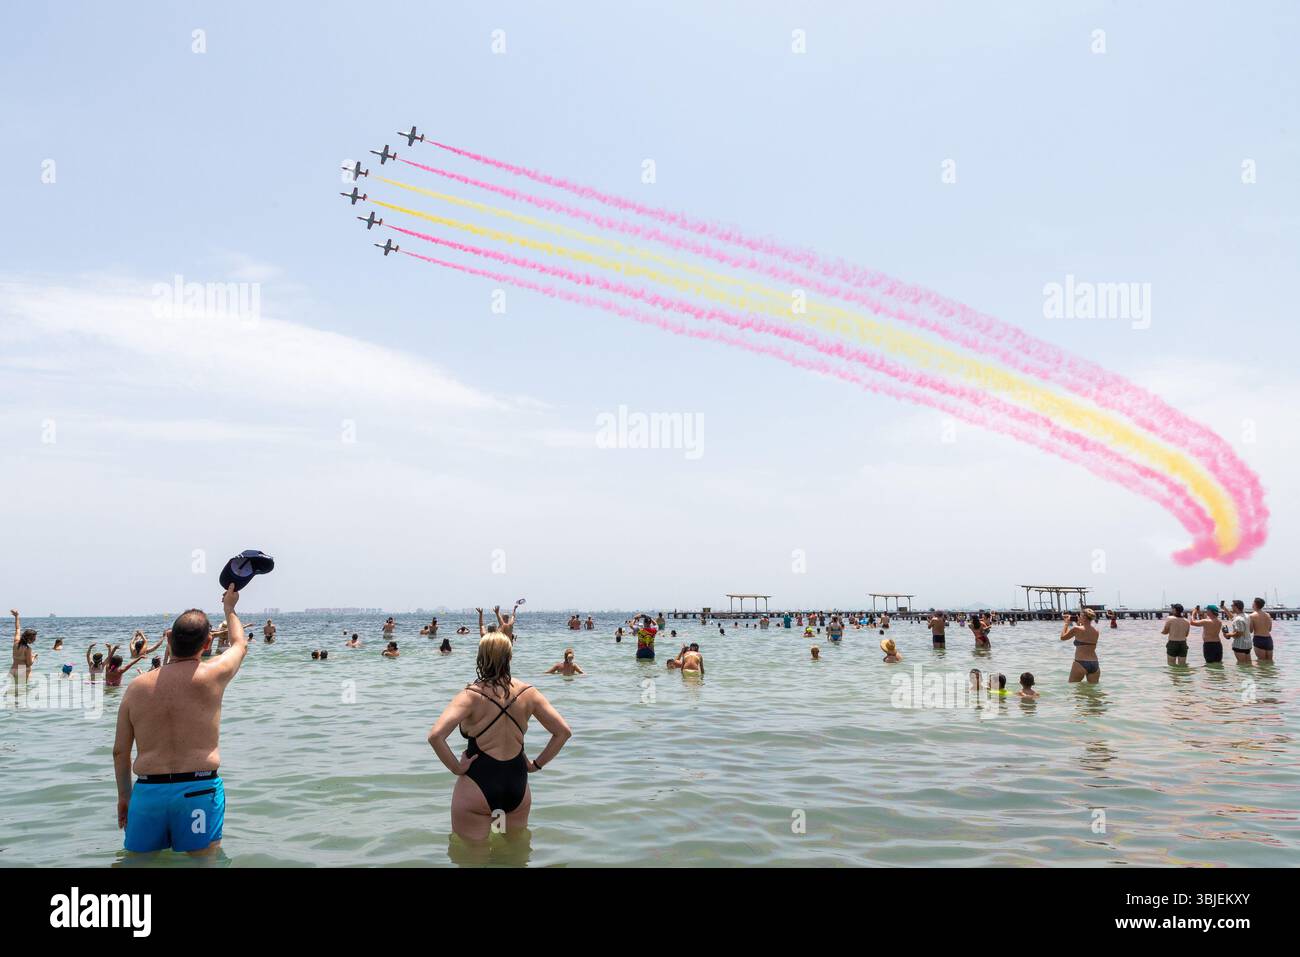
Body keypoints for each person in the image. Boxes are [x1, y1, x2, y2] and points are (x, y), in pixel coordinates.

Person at [113, 584, 249, 855]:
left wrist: (125, 796)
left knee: (138, 862)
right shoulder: (213, 675)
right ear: (207, 643)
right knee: (203, 862)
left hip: (149, 792)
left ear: (168, 639)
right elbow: (239, 644)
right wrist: (229, 608)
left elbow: (120, 751)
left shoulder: (136, 687)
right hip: (198, 790)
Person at [426, 635, 571, 840]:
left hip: (477, 790)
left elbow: (436, 736)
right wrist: (535, 765)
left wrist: (457, 768)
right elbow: (563, 732)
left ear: (481, 657)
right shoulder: (529, 693)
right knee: (510, 851)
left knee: (472, 854)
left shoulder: (470, 695)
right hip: (516, 788)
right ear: (510, 657)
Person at [1060, 609, 1100, 683]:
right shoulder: (1096, 631)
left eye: (1080, 616)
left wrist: (1066, 623)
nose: (1079, 617)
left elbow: (1063, 637)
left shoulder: (1076, 629)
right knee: (1093, 689)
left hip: (1080, 662)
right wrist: (1079, 624)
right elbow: (1085, 636)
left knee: (1072, 686)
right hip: (1094, 663)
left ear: (1084, 617)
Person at [9, 610, 38, 682]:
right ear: (29, 639)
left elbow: (17, 628)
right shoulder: (27, 649)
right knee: (23, 689)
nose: (35, 640)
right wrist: (34, 657)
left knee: (13, 687)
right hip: (22, 672)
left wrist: (17, 616)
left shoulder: (16, 642)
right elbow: (29, 664)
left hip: (13, 670)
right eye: (34, 639)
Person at [1249, 597, 1273, 662]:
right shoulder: (1268, 615)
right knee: (1270, 661)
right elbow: (1270, 629)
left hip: (1259, 639)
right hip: (1268, 639)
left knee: (1261, 661)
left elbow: (1251, 630)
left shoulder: (1251, 616)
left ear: (1255, 604)